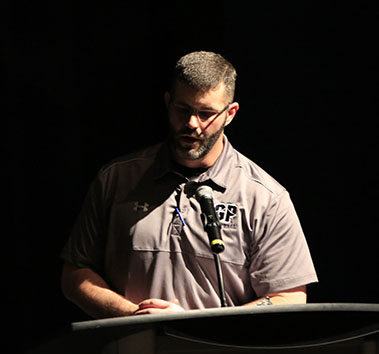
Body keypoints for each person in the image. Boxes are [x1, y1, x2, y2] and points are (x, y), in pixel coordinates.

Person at [61, 51, 318, 318]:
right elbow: (75, 274)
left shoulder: (265, 197)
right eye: (183, 110)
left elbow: (288, 297)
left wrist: (194, 326)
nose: (192, 124)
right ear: (167, 102)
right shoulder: (117, 178)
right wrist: (133, 316)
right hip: (132, 351)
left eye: (206, 113)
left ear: (230, 113)